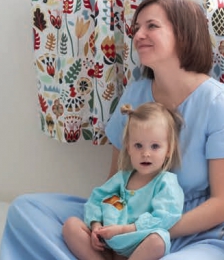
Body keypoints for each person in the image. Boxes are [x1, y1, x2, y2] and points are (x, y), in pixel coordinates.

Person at [0, 0, 224, 259]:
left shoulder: (219, 104)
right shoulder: (135, 95)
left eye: (152, 26)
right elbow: (117, 179)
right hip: (132, 217)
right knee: (26, 209)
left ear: (184, 34)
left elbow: (222, 206)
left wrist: (142, 234)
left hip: (201, 232)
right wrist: (103, 225)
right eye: (136, 28)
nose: (138, 35)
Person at [64, 102, 186, 260]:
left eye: (155, 146)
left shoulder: (166, 182)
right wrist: (96, 226)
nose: (146, 153)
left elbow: (165, 216)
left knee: (159, 240)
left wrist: (124, 230)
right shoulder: (122, 177)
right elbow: (97, 198)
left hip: (138, 243)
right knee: (71, 225)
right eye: (138, 146)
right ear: (128, 148)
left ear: (168, 150)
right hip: (107, 242)